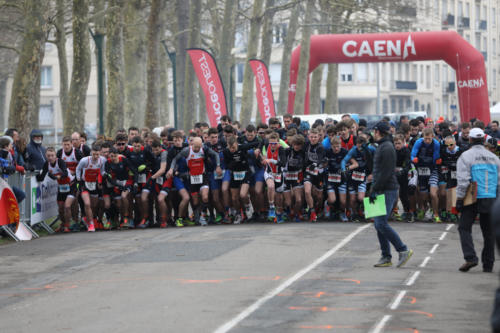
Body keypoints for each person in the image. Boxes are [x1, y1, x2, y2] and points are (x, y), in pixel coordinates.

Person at [455, 127, 500, 272]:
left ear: (470, 139)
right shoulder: (494, 158)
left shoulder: (465, 156)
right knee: (489, 232)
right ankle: (488, 264)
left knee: (464, 228)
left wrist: (460, 199)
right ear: (484, 139)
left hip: (472, 197)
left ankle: (470, 258)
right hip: (491, 197)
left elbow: (463, 181)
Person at [369, 121, 413, 268]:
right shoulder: (383, 145)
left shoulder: (387, 147)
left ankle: (403, 250)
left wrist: (375, 189)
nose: (373, 134)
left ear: (378, 132)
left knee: (381, 223)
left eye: (374, 131)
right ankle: (386, 256)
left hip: (387, 189)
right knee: (378, 224)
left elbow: (387, 172)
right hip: (380, 188)